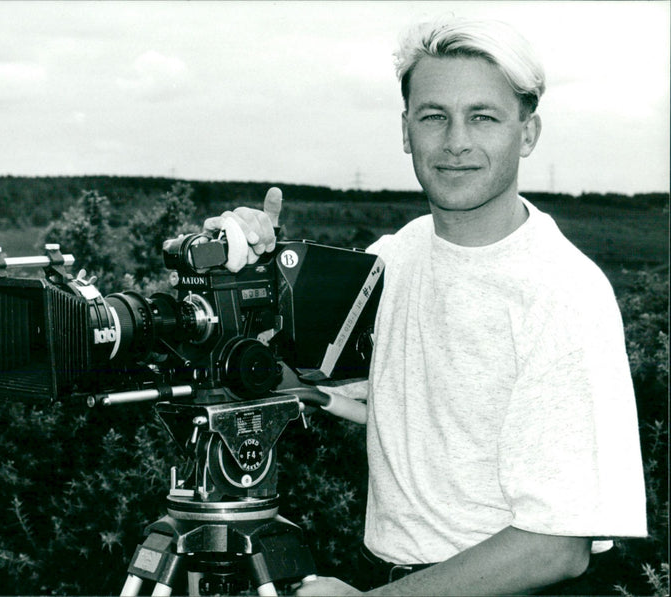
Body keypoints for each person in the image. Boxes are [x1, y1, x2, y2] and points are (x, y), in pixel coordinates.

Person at [203, 16, 646, 596]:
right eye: (434, 116)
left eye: (483, 117)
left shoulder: (563, 293)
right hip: (398, 576)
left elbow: (556, 548)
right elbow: (301, 375)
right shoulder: (397, 255)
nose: (456, 141)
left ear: (529, 133)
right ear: (406, 130)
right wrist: (242, 266)